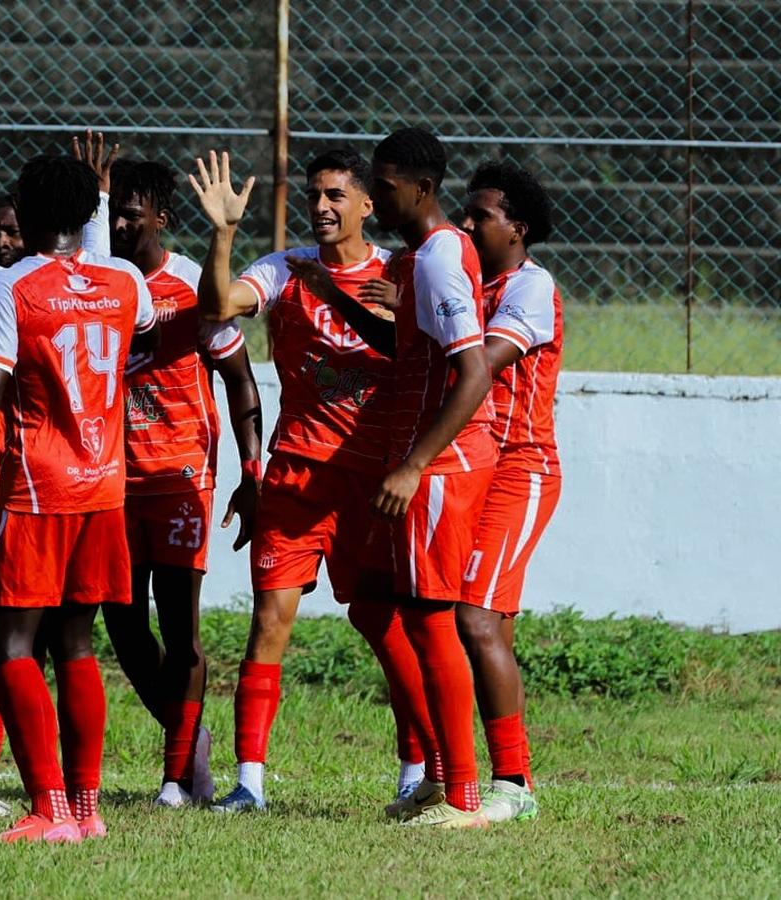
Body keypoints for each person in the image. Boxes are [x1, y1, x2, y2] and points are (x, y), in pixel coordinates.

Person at [0, 153, 157, 843]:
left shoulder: (11, 286)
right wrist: (97, 222)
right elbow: (135, 315)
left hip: (35, 488)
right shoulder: (125, 282)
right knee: (79, 644)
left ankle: (46, 808)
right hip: (105, 487)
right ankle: (87, 813)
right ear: (92, 215)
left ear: (23, 216)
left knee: (11, 644)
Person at [289, 127, 496, 828]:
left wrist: (415, 465)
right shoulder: (423, 261)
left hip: (439, 465)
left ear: (422, 188)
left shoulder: (438, 260)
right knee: (389, 606)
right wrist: (334, 296)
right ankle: (438, 779)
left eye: (383, 183)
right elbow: (402, 346)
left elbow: (472, 371)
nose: (374, 194)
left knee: (433, 618)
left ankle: (462, 794)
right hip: (419, 460)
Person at [186, 149, 396, 812]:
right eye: (313, 196)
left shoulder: (399, 274)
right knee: (270, 621)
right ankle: (250, 782)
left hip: (375, 482)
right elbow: (219, 303)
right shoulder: (284, 268)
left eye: (336, 195)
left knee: (386, 625)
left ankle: (418, 768)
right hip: (298, 473)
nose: (322, 207)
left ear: (367, 204)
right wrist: (223, 233)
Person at [96, 157, 262, 808]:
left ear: (161, 219)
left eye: (130, 213)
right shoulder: (99, 283)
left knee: (179, 624)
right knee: (124, 625)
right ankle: (190, 742)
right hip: (110, 478)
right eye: (110, 213)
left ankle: (174, 779)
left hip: (178, 471)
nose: (116, 224)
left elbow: (242, 381)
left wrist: (252, 474)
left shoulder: (192, 285)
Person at [457, 159, 562, 823]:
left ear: (517, 228)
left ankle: (514, 783)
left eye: (482, 216)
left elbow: (480, 362)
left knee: (473, 616)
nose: (468, 225)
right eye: (464, 213)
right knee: (475, 619)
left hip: (522, 469)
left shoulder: (531, 286)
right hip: (475, 468)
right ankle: (452, 773)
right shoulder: (471, 285)